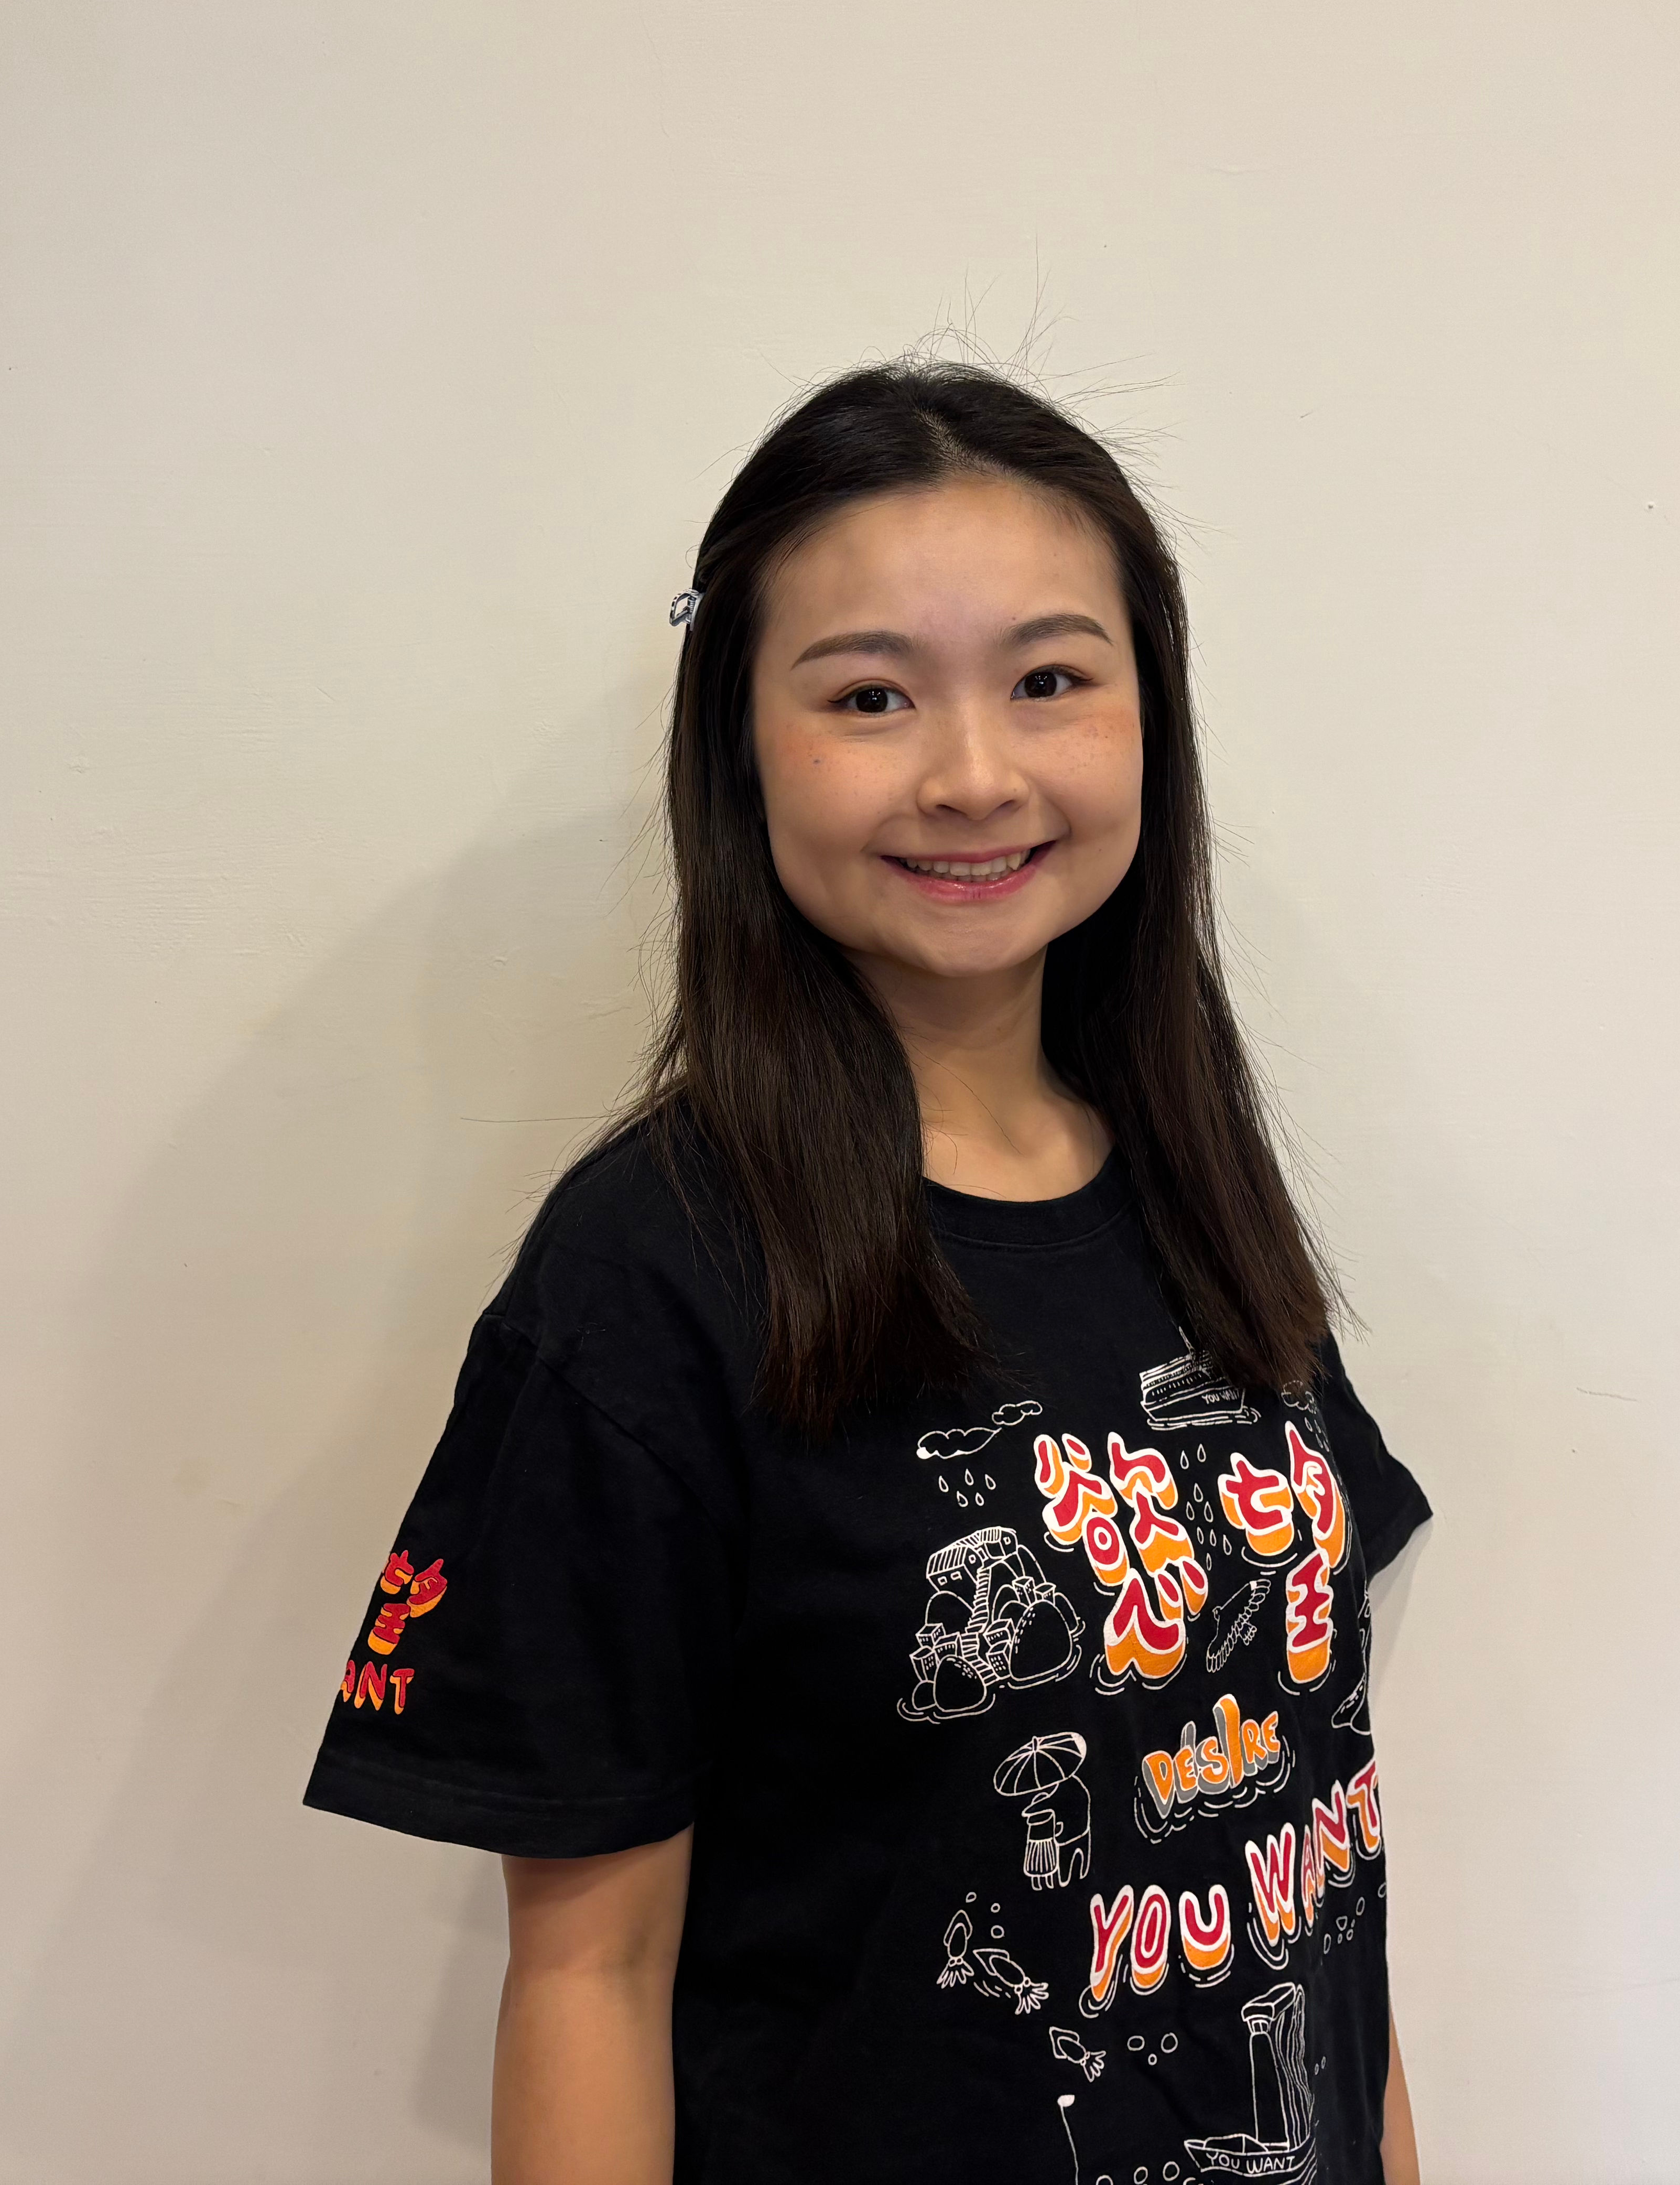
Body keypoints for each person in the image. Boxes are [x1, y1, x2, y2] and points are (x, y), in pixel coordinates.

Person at [303, 360, 1433, 2185]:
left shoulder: (1199, 1187)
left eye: (1050, 679)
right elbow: (590, 1973)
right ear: (742, 744)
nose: (974, 773)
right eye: (871, 695)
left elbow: (1315, 1864)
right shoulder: (651, 1271)